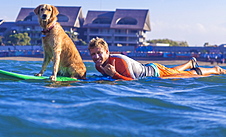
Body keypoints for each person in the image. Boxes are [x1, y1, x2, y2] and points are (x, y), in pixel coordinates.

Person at [88, 37, 226, 80]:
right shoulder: (98, 65)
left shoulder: (119, 61)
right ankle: (190, 62)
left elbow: (132, 82)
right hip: (151, 68)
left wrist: (114, 74)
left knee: (188, 75)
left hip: (154, 73)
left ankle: (216, 69)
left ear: (107, 51)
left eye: (99, 53)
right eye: (93, 54)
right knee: (171, 71)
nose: (96, 57)